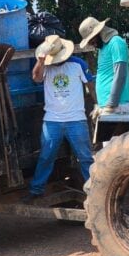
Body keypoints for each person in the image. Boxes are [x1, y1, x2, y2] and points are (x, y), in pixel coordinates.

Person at [24, 35, 95, 202]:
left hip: (76, 119)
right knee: (46, 157)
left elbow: (90, 86)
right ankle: (36, 190)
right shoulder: (46, 66)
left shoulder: (78, 64)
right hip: (52, 120)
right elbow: (35, 78)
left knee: (85, 157)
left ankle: (95, 190)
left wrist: (98, 105)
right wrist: (41, 61)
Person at [78, 16, 129, 114]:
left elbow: (120, 74)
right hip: (107, 106)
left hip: (117, 106)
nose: (92, 44)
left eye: (92, 40)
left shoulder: (116, 42)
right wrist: (100, 105)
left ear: (98, 32)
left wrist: (111, 104)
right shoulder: (102, 48)